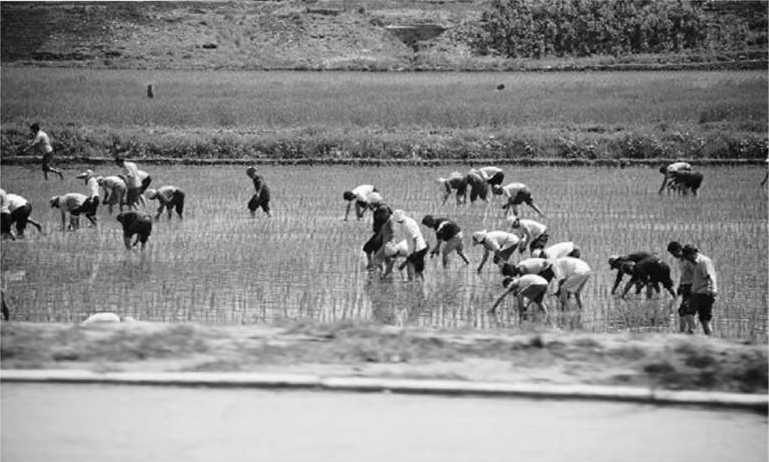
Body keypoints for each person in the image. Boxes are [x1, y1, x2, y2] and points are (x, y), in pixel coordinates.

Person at [682, 245, 717, 335]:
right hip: (698, 292)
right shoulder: (694, 262)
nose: (686, 259)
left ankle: (692, 332)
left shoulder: (704, 262)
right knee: (704, 319)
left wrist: (712, 290)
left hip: (703, 293)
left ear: (692, 254)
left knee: (687, 311)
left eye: (687, 256)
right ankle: (708, 338)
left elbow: (710, 276)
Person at [391, 209, 428, 281]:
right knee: (417, 269)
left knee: (412, 268)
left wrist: (414, 252)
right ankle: (420, 283)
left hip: (418, 249)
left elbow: (415, 238)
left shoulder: (407, 225)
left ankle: (413, 284)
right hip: (420, 247)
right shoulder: (408, 220)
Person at [667, 241, 695, 333]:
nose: (673, 255)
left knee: (686, 309)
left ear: (679, 250)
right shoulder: (680, 260)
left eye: (673, 253)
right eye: (671, 254)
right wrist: (680, 286)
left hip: (693, 286)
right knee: (682, 310)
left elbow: (696, 273)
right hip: (685, 286)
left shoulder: (688, 260)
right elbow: (683, 275)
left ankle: (692, 330)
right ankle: (682, 331)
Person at [363, 199, 393, 270]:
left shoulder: (382, 209)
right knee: (369, 248)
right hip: (379, 234)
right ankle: (375, 266)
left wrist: (379, 236)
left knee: (375, 250)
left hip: (380, 235)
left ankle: (376, 267)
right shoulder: (380, 209)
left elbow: (383, 225)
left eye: (370, 205)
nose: (369, 207)